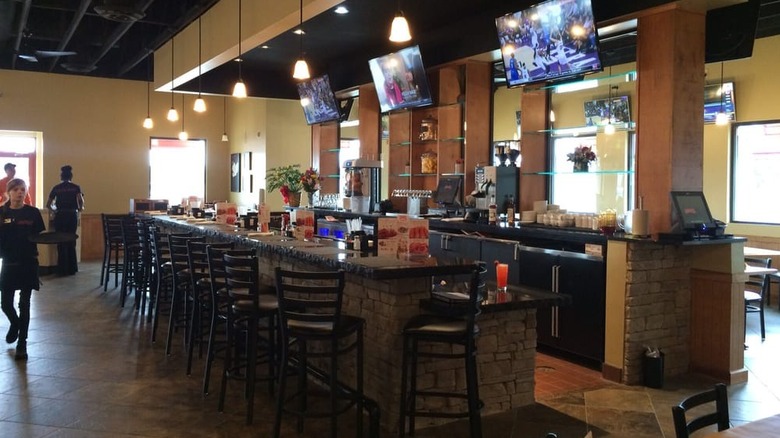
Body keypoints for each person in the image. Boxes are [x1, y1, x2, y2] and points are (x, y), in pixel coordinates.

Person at [0, 178, 45, 360]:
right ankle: (15, 323)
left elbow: (40, 237)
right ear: (8, 192)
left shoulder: (33, 213)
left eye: (23, 189)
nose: (20, 192)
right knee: (5, 304)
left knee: (24, 304)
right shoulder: (1, 213)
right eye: (16, 189)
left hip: (28, 263)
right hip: (9, 264)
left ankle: (22, 344)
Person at [46, 165, 84, 276]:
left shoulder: (56, 188)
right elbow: (81, 203)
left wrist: (55, 210)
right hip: (72, 215)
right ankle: (72, 268)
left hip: (60, 215)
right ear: (71, 176)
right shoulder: (76, 187)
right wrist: (78, 210)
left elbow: (48, 204)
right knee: (71, 240)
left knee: (60, 241)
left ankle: (62, 268)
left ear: (61, 176)